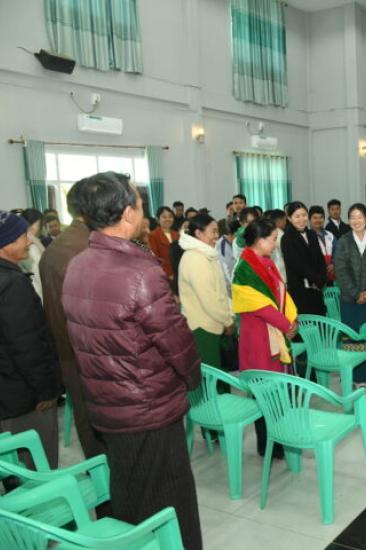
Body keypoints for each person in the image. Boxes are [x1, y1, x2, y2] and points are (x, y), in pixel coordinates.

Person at [62, 172, 202, 549]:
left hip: (107, 406)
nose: (144, 210)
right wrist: (193, 378)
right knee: (171, 502)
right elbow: (176, 341)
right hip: (148, 407)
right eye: (140, 203)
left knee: (129, 492)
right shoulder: (140, 271)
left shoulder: (78, 264)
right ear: (127, 213)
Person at [39, 181, 106, 461]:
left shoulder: (57, 248)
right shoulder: (89, 248)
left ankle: (102, 482)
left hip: (68, 352)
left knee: (87, 422)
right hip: (93, 355)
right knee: (103, 428)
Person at [0, 211, 62, 469]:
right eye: (23, 236)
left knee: (13, 468)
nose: (29, 241)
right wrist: (46, 391)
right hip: (25, 398)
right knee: (37, 466)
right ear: (6, 242)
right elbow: (27, 345)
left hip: (7, 393)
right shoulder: (13, 284)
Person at [232, 218, 298, 457]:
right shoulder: (244, 269)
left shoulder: (267, 262)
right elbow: (261, 306)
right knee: (264, 390)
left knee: (277, 390)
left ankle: (278, 438)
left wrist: (292, 319)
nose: (275, 244)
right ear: (259, 241)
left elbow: (282, 294)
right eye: (272, 240)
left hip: (274, 331)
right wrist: (286, 325)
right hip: (259, 339)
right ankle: (267, 443)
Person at [335, 203, 366, 385]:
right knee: (352, 338)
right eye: (352, 217)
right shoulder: (343, 241)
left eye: (360, 217)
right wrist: (356, 294)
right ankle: (352, 376)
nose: (356, 221)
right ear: (348, 221)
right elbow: (341, 271)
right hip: (350, 300)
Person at [178, 214, 234, 369]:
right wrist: (227, 320)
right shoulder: (195, 259)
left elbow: (220, 291)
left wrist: (229, 313)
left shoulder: (206, 254)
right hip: (203, 327)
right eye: (213, 231)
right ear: (198, 233)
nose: (217, 236)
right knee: (210, 375)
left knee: (217, 373)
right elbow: (209, 299)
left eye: (217, 231)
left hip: (213, 323)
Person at [281, 202, 327, 315]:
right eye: (297, 216)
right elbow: (297, 265)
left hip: (316, 289)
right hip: (300, 290)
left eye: (304, 215)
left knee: (319, 319)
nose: (301, 219)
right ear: (289, 218)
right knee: (305, 322)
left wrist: (322, 279)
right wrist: (316, 279)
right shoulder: (287, 238)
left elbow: (320, 258)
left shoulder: (312, 234)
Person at [19, 209, 46, 300]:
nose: (39, 228)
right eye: (38, 225)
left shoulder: (33, 242)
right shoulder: (30, 246)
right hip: (36, 291)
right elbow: (39, 271)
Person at [148, 206, 179, 283]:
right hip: (164, 276)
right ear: (158, 219)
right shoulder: (153, 235)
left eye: (170, 216)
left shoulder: (177, 234)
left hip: (179, 274)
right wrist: (168, 274)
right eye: (164, 217)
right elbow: (155, 259)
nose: (168, 219)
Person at [309, 205, 336, 284]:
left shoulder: (330, 235)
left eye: (321, 217)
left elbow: (339, 252)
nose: (318, 220)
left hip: (332, 278)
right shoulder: (307, 237)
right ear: (309, 220)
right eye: (315, 218)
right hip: (315, 279)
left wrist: (334, 264)